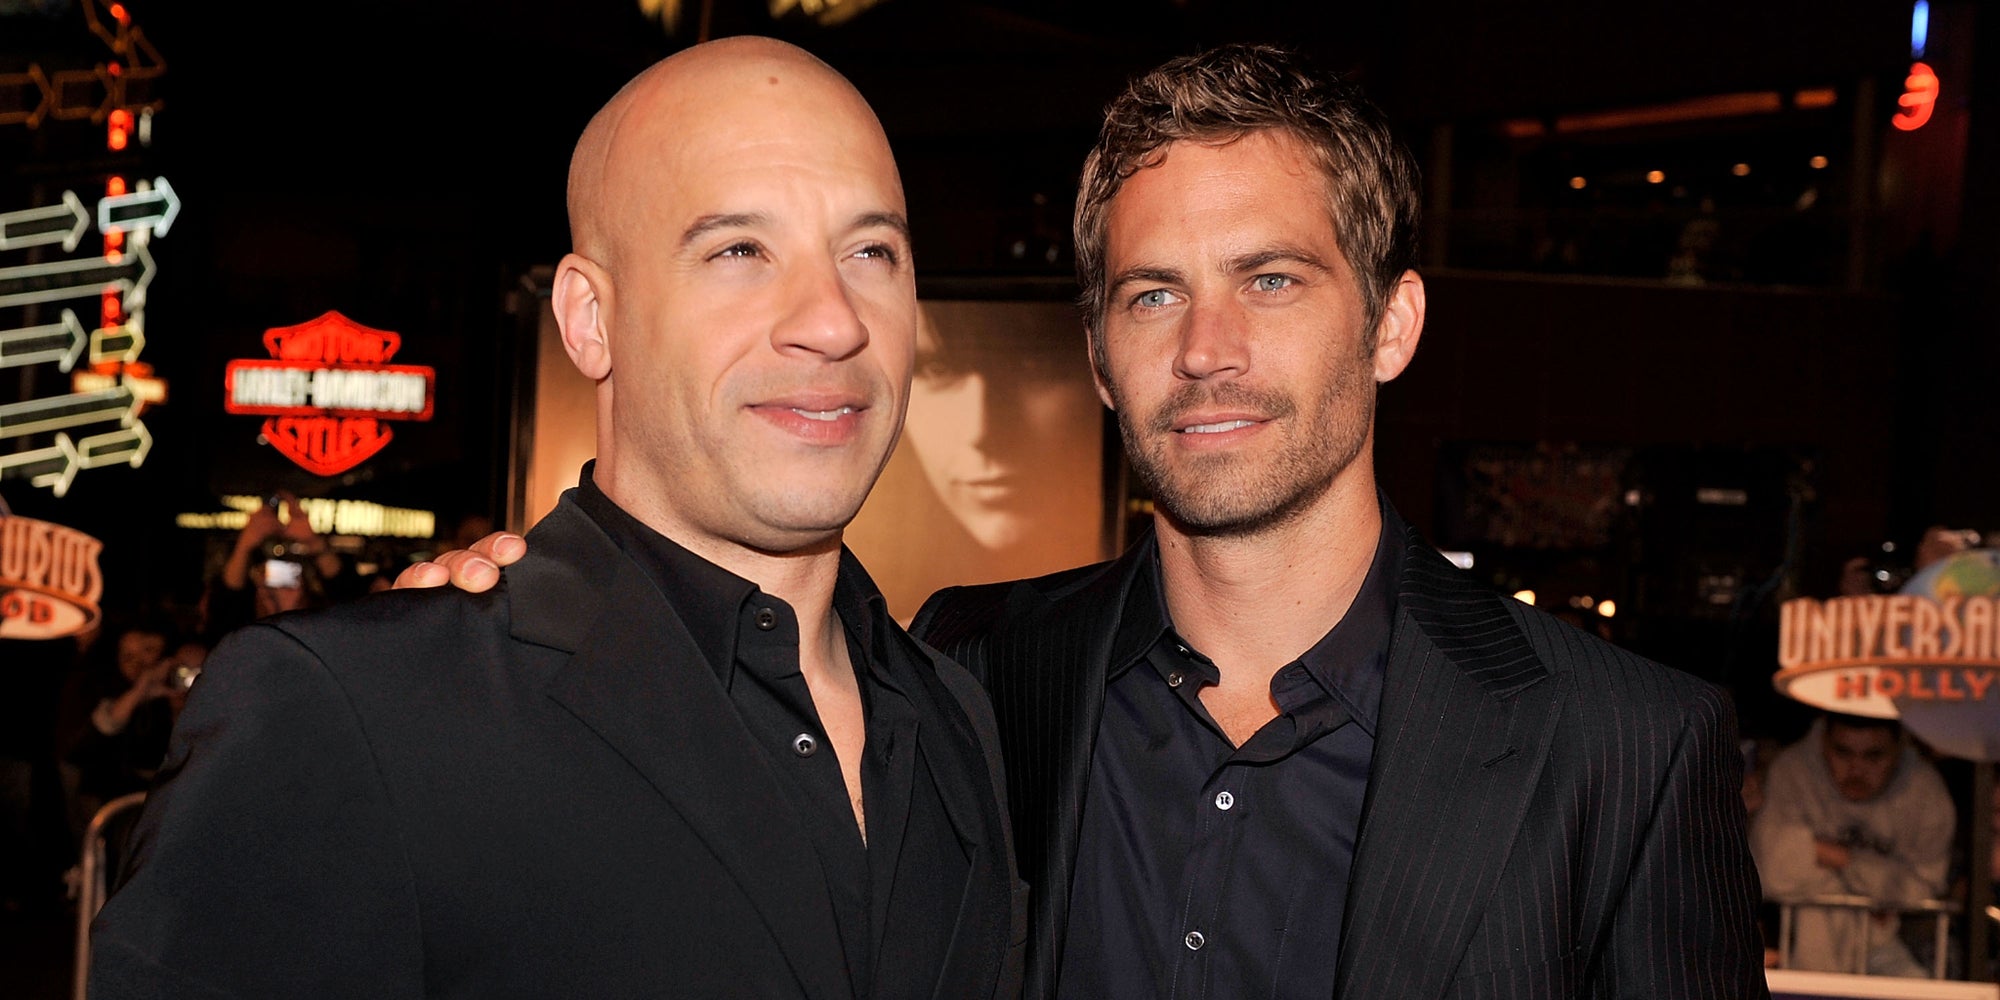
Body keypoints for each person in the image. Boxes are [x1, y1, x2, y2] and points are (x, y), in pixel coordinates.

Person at [412, 42, 1767, 999]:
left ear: (1393, 323)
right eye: (1154, 295)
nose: (1209, 350)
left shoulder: (1625, 750)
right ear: (1102, 354)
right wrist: (510, 615)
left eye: (1274, 280)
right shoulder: (967, 678)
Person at [89, 36, 1023, 1000]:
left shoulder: (957, 717)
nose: (833, 319)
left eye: (872, 250)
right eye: (739, 250)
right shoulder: (350, 712)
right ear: (588, 319)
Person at [1751, 713, 1954, 977]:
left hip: (1890, 940)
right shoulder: (1792, 770)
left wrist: (1834, 857)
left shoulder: (1925, 790)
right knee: (1818, 915)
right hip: (1803, 944)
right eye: (1842, 752)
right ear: (1824, 742)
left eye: (1874, 756)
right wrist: (1872, 894)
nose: (1856, 769)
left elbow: (1922, 888)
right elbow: (1768, 873)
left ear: (1899, 749)